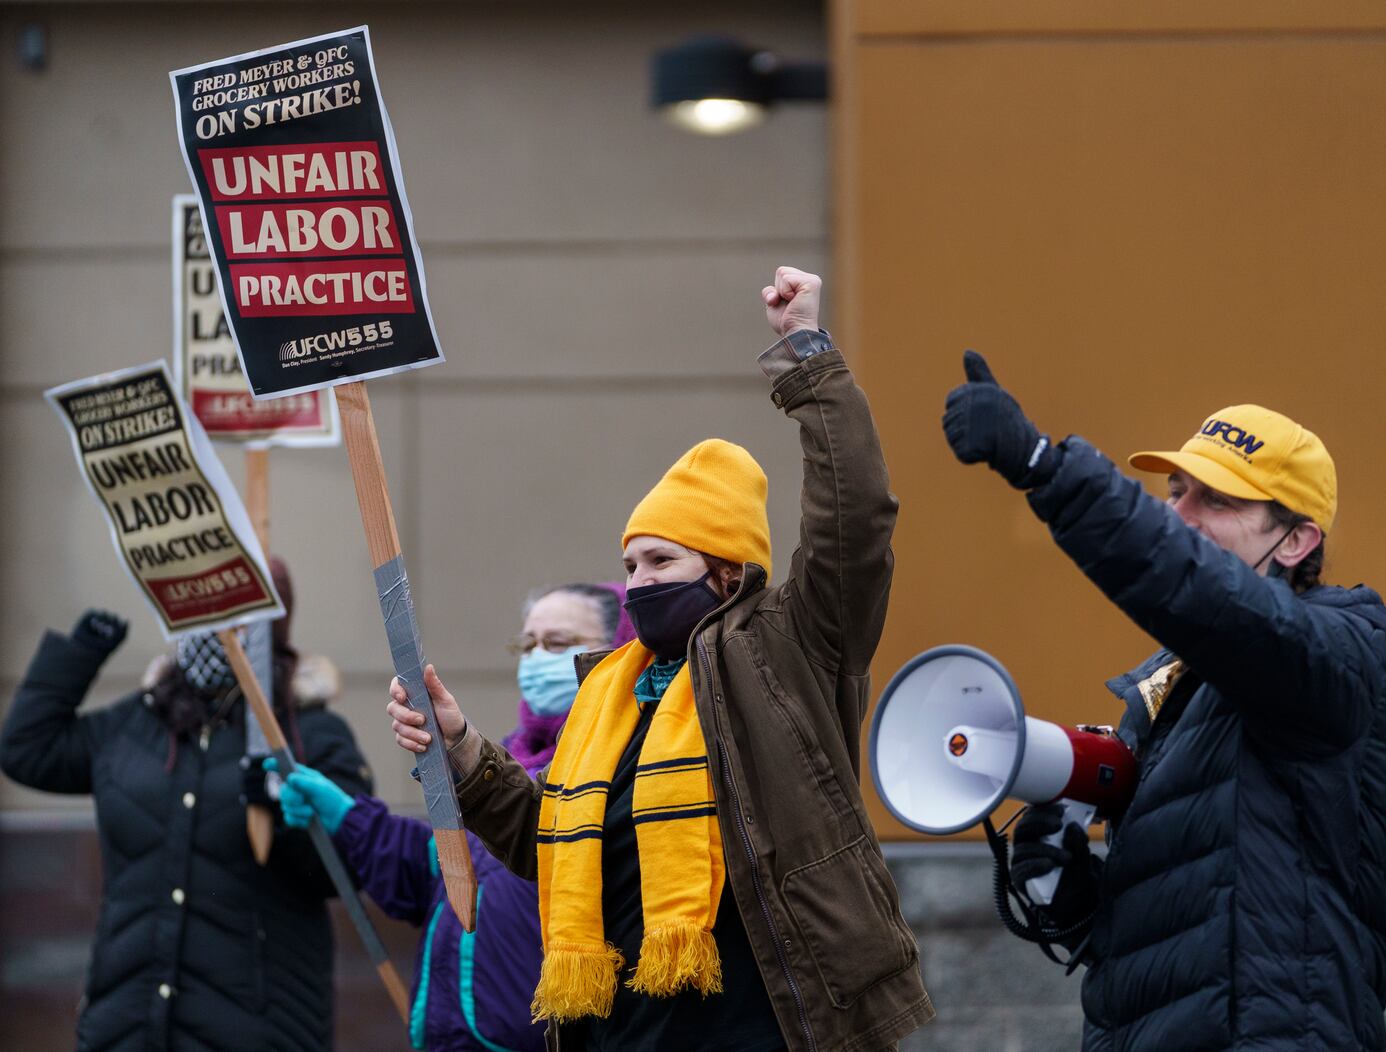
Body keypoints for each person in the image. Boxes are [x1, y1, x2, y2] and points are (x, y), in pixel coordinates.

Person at [387, 267, 933, 1051]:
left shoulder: (786, 649)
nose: (636, 584)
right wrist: (465, 750)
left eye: (659, 563)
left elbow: (857, 519)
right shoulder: (612, 695)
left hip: (761, 1030)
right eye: (631, 564)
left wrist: (807, 356)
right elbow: (552, 849)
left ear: (726, 572)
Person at [941, 352, 1386, 1051]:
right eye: (1176, 492)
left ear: (1297, 540)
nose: (1182, 515)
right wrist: (1064, 882)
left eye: (1218, 501)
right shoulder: (1173, 695)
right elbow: (1169, 940)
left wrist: (1047, 466)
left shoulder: (1347, 656)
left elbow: (1205, 593)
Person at [0, 558, 371, 1052]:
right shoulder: (139, 722)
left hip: (257, 1032)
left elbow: (349, 865)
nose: (214, 628)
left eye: (233, 615)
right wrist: (82, 652)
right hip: (125, 1026)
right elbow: (28, 751)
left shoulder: (311, 734)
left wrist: (287, 814)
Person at [269, 582, 634, 1052]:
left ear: (618, 650)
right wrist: (347, 816)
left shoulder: (619, 768)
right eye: (527, 644)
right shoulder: (503, 767)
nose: (537, 659)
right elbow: (444, 867)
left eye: (558, 644)